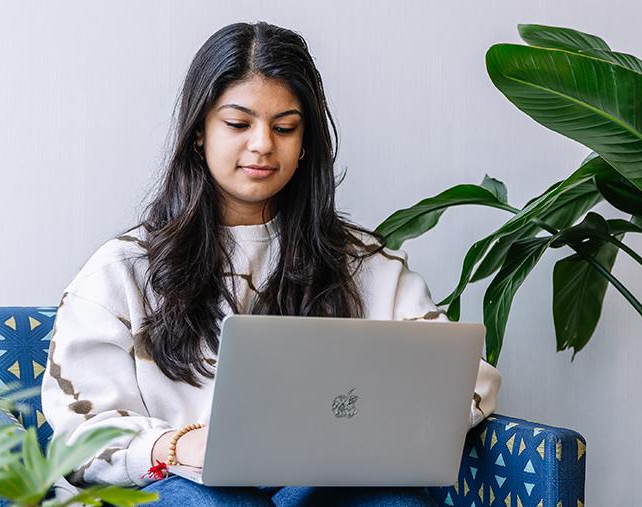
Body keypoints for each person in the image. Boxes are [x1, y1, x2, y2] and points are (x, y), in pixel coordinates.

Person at [40, 20, 502, 507]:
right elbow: (79, 436)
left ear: (305, 143)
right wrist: (174, 445)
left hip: (327, 485)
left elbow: (467, 377)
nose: (262, 144)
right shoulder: (123, 271)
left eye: (284, 127)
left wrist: (373, 431)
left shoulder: (363, 264)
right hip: (184, 488)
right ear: (199, 132)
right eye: (238, 124)